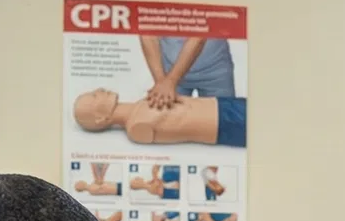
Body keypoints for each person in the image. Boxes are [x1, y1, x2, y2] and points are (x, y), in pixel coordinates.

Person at [73, 86, 246, 149]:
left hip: (219, 104)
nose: (99, 90)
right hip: (224, 124)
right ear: (100, 119)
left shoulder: (140, 105)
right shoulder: (137, 128)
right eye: (94, 97)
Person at [140, 35, 237, 105]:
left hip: (216, 71)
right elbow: (146, 30)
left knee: (224, 123)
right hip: (169, 71)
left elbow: (199, 36)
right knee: (170, 123)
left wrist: (170, 81)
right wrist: (161, 82)